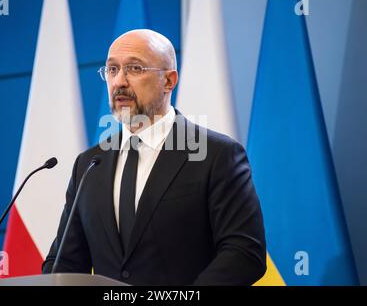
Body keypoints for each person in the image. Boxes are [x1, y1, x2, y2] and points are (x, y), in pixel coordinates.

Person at [42, 29, 266, 285]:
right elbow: (64, 263)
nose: (119, 82)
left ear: (169, 81)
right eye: (112, 70)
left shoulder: (216, 155)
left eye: (135, 68)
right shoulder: (89, 164)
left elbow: (244, 254)